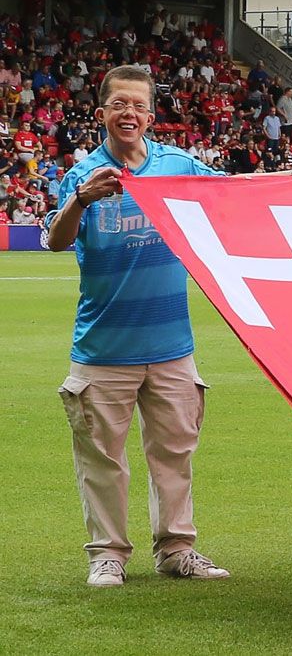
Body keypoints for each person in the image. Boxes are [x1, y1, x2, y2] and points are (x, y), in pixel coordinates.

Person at [47, 65, 231, 588]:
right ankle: (107, 555)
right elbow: (57, 241)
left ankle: (177, 549)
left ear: (152, 114)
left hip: (172, 345)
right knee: (102, 459)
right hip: (104, 348)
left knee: (174, 455)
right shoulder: (80, 175)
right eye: (119, 104)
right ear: (102, 112)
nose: (130, 113)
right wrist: (83, 198)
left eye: (139, 105)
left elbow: (237, 194)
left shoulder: (178, 166)